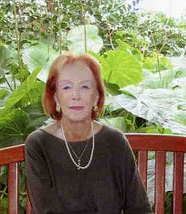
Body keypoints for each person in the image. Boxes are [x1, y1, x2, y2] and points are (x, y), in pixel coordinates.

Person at [24, 52, 152, 214]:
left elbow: (139, 208)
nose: (75, 96)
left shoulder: (115, 142)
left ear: (96, 96)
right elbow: (47, 210)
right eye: (66, 87)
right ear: (55, 97)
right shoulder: (38, 144)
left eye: (84, 86)